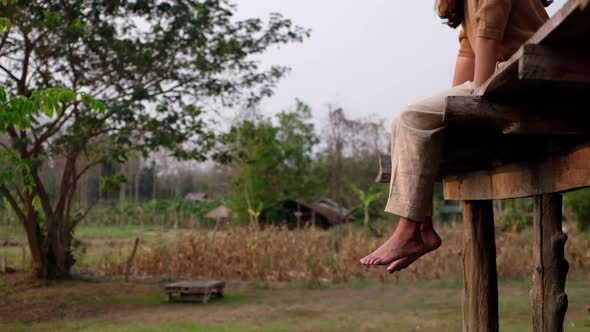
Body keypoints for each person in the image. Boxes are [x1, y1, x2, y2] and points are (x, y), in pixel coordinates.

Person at [360, 0, 551, 273]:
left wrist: (464, 103)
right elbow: (464, 78)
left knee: (410, 119)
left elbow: (480, 86)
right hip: (515, 92)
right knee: (420, 131)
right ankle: (421, 230)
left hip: (524, 91)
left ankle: (408, 231)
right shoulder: (467, 8)